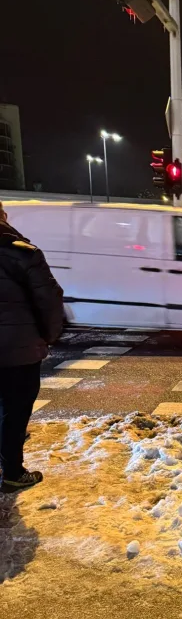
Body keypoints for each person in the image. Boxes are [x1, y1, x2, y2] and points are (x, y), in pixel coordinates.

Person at [0, 202, 64, 493]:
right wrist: (47, 337)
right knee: (15, 411)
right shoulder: (22, 253)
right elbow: (49, 299)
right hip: (18, 350)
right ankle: (12, 472)